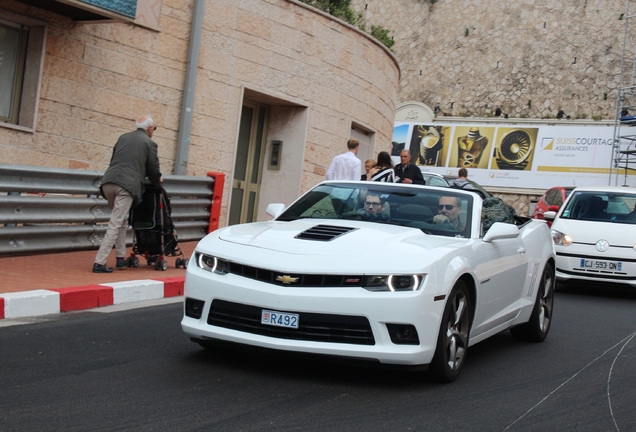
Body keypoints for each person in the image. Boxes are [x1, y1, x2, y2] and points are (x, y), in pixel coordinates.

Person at [92, 115, 162, 273]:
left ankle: (120, 257)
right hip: (126, 186)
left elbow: (114, 160)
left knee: (121, 220)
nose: (154, 132)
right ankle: (99, 262)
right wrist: (157, 183)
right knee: (115, 223)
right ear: (149, 128)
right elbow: (153, 170)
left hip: (108, 183)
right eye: (154, 129)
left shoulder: (123, 138)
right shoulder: (150, 143)